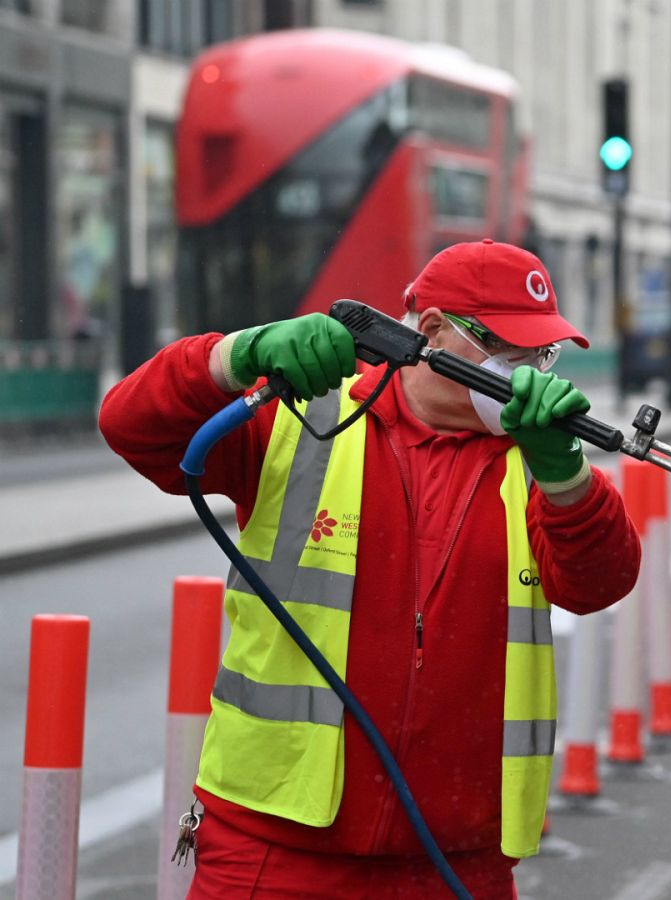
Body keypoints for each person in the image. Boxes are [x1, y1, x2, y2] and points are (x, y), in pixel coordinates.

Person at [99, 239, 641, 897]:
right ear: (434, 332)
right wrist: (232, 356)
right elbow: (132, 425)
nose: (527, 370)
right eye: (509, 347)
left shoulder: (536, 457)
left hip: (456, 860)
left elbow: (599, 583)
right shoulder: (303, 417)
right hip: (276, 849)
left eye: (542, 354)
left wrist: (568, 475)